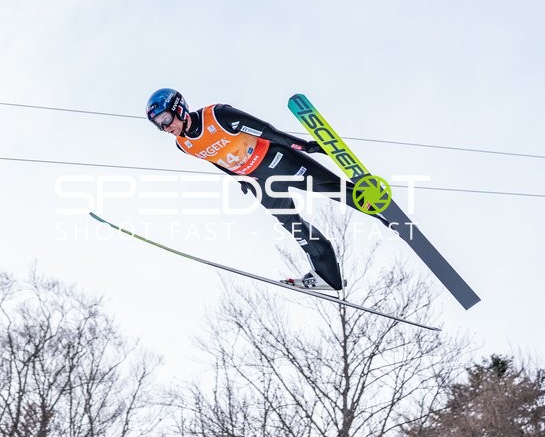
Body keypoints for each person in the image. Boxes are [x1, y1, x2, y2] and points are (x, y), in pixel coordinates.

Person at [145, 87, 391, 292]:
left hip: (277, 160)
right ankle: (328, 277)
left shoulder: (218, 116)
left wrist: (304, 146)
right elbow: (217, 160)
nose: (165, 128)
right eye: (159, 125)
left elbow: (267, 131)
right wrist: (240, 179)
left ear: (179, 108)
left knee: (331, 188)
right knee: (293, 225)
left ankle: (382, 212)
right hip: (258, 181)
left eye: (165, 120)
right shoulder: (183, 145)